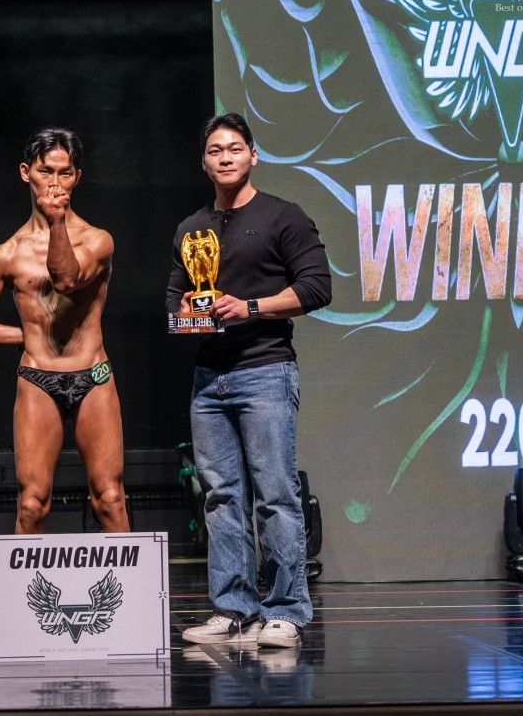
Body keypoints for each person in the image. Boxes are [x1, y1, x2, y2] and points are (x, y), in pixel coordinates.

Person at [167, 113, 332, 649]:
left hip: (265, 370)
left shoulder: (283, 216)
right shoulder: (191, 228)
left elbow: (317, 287)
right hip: (208, 379)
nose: (226, 157)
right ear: (204, 162)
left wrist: (251, 307)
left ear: (253, 156)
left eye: (235, 148)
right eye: (215, 150)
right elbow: (173, 304)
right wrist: (187, 313)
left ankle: (286, 612)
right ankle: (234, 609)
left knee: (276, 495)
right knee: (220, 498)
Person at [0, 129, 128, 533]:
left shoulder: (98, 240)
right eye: (45, 171)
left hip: (93, 375)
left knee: (109, 498)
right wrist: (24, 337)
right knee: (32, 504)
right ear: (25, 173)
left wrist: (56, 222)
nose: (54, 182)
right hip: (37, 378)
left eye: (65, 173)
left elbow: (66, 279)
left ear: (77, 177)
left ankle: (127, 579)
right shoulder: (8, 253)